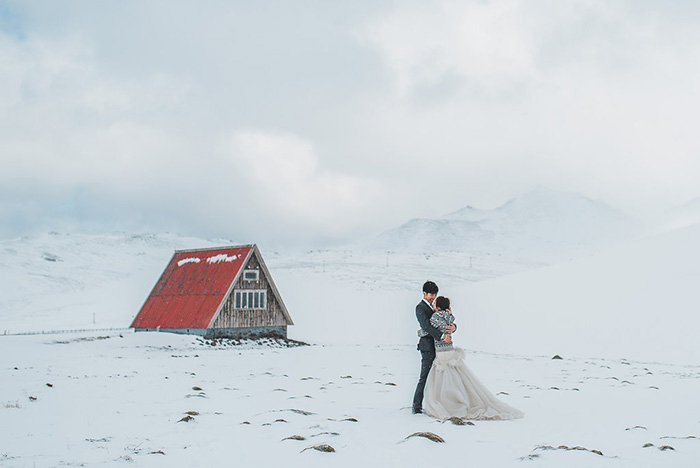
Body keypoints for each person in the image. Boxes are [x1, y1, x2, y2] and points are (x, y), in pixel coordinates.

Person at [423, 296, 524, 420]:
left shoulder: (435, 317)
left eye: (435, 304)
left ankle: (449, 402)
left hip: (441, 350)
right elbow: (450, 326)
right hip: (449, 349)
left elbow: (429, 330)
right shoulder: (449, 317)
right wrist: (451, 329)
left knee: (444, 378)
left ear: (438, 307)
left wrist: (424, 333)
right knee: (455, 375)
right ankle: (460, 397)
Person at [412, 281, 455, 414]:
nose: (433, 296)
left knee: (438, 378)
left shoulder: (437, 308)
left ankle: (437, 404)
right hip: (427, 347)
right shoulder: (420, 308)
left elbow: (447, 321)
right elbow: (426, 326)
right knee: (424, 376)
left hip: (439, 348)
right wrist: (442, 336)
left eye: (435, 294)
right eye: (431, 294)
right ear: (424, 293)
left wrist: (453, 328)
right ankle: (417, 406)